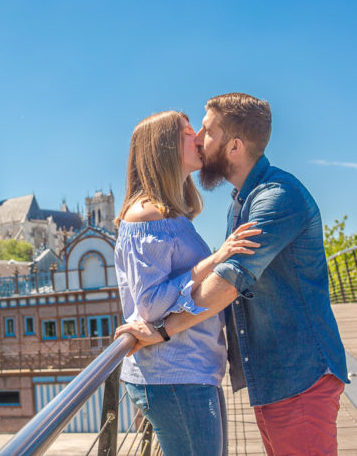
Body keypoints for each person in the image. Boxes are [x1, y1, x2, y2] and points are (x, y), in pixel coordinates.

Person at [116, 93, 349, 456]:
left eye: (206, 132)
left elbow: (228, 283)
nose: (198, 139)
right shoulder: (241, 201)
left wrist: (161, 331)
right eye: (192, 133)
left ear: (235, 146)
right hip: (273, 376)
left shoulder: (276, 197)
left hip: (298, 372)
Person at [114, 110, 262, 456]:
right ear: (164, 147)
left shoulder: (170, 214)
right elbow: (149, 304)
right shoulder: (145, 215)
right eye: (186, 132)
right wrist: (212, 261)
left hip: (191, 371)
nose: (198, 138)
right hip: (174, 375)